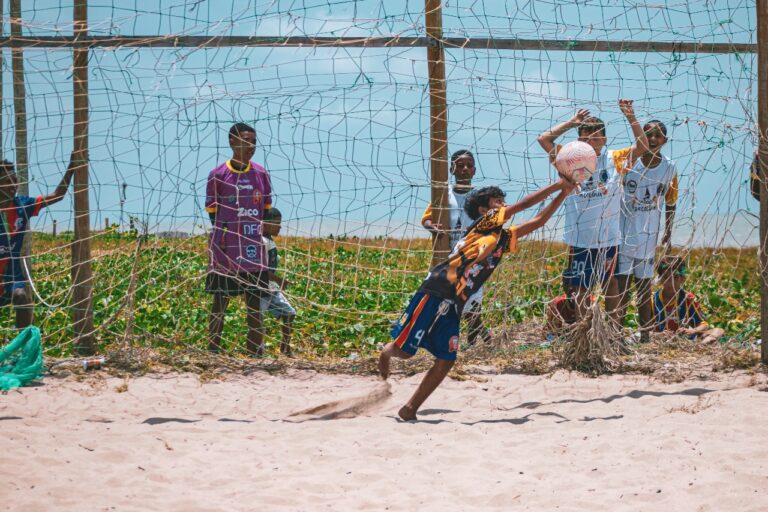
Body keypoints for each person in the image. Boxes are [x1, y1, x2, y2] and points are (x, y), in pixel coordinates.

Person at [379, 179, 575, 421]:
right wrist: (558, 183)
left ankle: (410, 408)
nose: (504, 205)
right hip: (438, 288)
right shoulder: (484, 224)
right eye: (498, 202)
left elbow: (539, 221)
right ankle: (387, 352)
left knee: (446, 359)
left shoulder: (503, 237)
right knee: (406, 352)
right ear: (485, 210)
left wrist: (564, 194)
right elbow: (524, 205)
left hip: (456, 301)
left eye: (504, 201)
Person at [537, 100, 648, 326]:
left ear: (604, 139)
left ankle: (613, 332)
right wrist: (571, 122)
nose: (590, 142)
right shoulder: (568, 159)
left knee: (611, 285)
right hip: (580, 238)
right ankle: (584, 331)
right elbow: (544, 139)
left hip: (608, 238)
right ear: (578, 140)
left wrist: (630, 117)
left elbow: (643, 147)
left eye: (595, 137)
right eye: (584, 138)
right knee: (580, 287)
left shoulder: (615, 158)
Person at [205, 123, 272, 356]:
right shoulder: (217, 175)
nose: (251, 146)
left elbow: (267, 212)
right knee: (220, 302)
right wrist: (222, 239)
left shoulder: (261, 173)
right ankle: (213, 350)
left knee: (254, 305)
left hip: (253, 249)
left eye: (254, 142)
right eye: (245, 141)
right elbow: (213, 214)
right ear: (232, 142)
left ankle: (254, 353)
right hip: (226, 250)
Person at [0, 151, 78, 328]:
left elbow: (58, 195)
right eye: (7, 181)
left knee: (21, 297)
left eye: (15, 180)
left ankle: (24, 343)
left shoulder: (23, 205)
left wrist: (72, 167)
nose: (13, 185)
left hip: (11, 273)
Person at [616, 120, 678, 343]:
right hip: (623, 236)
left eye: (657, 135)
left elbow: (671, 202)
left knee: (643, 288)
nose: (652, 139)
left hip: (648, 238)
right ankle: (616, 334)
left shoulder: (670, 168)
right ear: (641, 136)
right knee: (621, 288)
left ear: (665, 141)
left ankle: (645, 336)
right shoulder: (628, 162)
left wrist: (668, 235)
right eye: (648, 134)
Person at [421, 149, 489, 345]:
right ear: (452, 169)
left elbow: (495, 218)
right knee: (447, 300)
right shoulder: (443, 194)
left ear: (474, 171)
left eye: (469, 166)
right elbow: (426, 218)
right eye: (460, 165)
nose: (465, 169)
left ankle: (475, 337)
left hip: (472, 257)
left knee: (473, 298)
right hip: (447, 256)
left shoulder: (481, 196)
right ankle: (476, 335)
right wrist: (431, 227)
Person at [652, 255, 724, 343]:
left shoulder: (687, 298)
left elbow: (703, 324)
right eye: (666, 277)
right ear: (660, 279)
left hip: (684, 340)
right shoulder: (652, 300)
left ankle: (703, 344)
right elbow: (644, 329)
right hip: (660, 340)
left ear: (682, 278)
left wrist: (692, 331)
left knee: (719, 330)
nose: (670, 282)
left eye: (675, 277)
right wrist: (659, 335)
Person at [261, 207, 296, 356]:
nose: (280, 226)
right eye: (276, 223)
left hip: (272, 288)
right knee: (257, 319)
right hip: (261, 288)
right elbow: (260, 269)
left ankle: (285, 346)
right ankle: (258, 348)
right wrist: (280, 280)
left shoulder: (270, 241)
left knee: (290, 312)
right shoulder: (261, 241)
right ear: (265, 223)